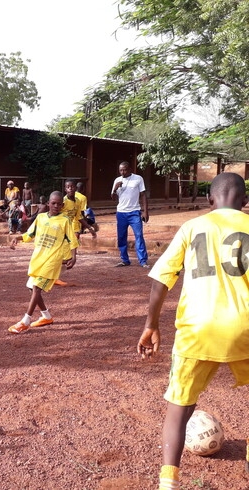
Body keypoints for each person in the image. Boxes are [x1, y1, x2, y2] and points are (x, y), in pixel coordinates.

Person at [137, 172, 249, 490]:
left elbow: (161, 279)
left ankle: (168, 482)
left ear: (209, 200)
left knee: (179, 408)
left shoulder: (192, 227)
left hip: (198, 328)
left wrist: (151, 325)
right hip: (246, 325)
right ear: (244, 201)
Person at [8, 191, 78, 334]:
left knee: (36, 288)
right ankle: (46, 316)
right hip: (38, 258)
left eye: (59, 204)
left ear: (63, 205)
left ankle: (25, 321)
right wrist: (18, 238)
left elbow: (72, 240)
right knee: (32, 288)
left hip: (53, 259)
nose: (56, 206)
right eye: (53, 203)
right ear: (48, 204)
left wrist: (74, 257)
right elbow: (30, 234)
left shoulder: (65, 221)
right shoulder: (40, 218)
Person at [111, 161, 149, 268]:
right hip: (121, 213)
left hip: (134, 212)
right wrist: (115, 189)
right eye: (121, 170)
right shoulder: (117, 180)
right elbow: (113, 198)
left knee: (139, 236)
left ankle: (143, 261)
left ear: (130, 169)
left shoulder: (138, 178)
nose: (122, 172)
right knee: (121, 237)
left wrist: (145, 211)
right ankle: (125, 260)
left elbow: (143, 195)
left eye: (125, 169)